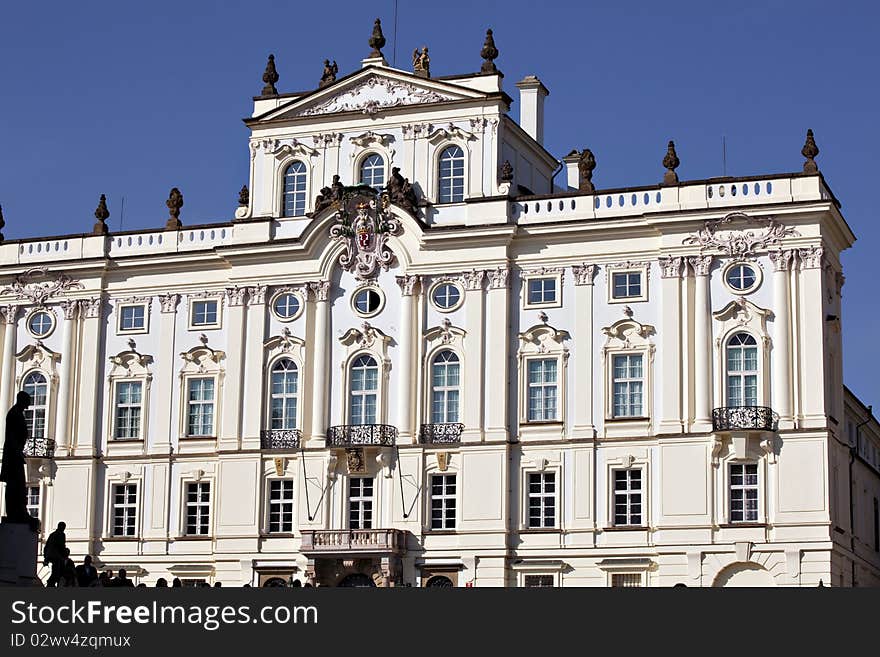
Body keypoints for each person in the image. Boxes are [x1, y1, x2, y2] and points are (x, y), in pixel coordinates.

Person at [1, 391, 34, 526]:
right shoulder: (14, 414)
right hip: (13, 455)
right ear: (22, 400)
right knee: (15, 484)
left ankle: (19, 511)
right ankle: (15, 512)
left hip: (16, 453)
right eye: (27, 401)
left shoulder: (17, 413)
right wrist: (17, 451)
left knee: (18, 484)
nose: (28, 405)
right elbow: (12, 436)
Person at [43, 521, 67, 587]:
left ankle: (51, 583)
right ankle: (51, 583)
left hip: (50, 556)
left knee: (55, 572)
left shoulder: (52, 534)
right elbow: (61, 546)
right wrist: (64, 555)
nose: (64, 529)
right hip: (57, 557)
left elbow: (46, 546)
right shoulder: (61, 534)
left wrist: (46, 557)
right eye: (64, 527)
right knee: (57, 573)